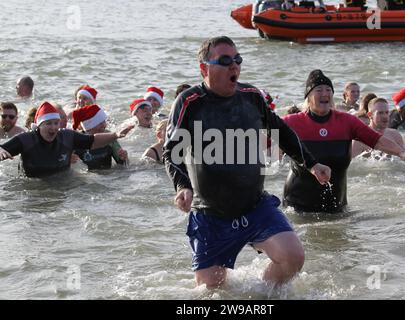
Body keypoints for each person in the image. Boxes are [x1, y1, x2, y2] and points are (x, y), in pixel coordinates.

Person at [163, 36, 331, 289]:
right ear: (204, 68)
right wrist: (182, 186)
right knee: (213, 291)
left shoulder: (251, 96)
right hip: (211, 214)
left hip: (254, 206)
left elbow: (280, 131)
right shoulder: (189, 102)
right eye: (225, 60)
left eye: (238, 59)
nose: (234, 66)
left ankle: (260, 294)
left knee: (293, 258)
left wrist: (311, 163)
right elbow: (170, 152)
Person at [282, 70, 405, 213]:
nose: (324, 93)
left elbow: (376, 140)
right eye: (319, 90)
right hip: (297, 208)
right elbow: (263, 141)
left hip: (337, 207)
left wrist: (402, 152)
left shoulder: (346, 121)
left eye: (328, 89)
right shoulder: (293, 122)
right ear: (308, 97)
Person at [0, 102, 133, 177]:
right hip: (34, 185)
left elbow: (91, 141)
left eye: (56, 123)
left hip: (62, 182)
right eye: (48, 124)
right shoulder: (26, 140)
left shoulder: (67, 136)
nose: (53, 128)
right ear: (39, 125)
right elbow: (3, 149)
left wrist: (115, 135)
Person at [352, 97, 405, 170]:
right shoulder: (359, 140)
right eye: (380, 113)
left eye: (386, 112)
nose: (385, 116)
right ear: (370, 115)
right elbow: (351, 167)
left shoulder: (394, 134)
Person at [73, 104, 129, 170]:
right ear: (89, 126)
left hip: (108, 176)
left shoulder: (109, 136)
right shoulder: (77, 139)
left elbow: (124, 165)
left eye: (104, 121)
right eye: (100, 123)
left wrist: (123, 158)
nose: (104, 125)